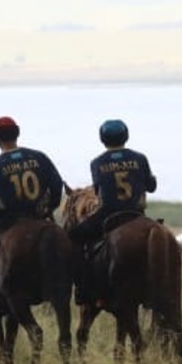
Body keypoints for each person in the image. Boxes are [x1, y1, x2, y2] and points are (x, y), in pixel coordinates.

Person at [0, 116, 65, 297]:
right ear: (17, 133)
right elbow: (57, 185)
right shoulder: (39, 157)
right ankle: (81, 278)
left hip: (10, 220)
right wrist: (49, 208)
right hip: (39, 216)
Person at [68, 119, 157, 304]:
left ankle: (84, 289)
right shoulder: (140, 158)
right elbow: (151, 186)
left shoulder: (97, 162)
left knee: (73, 237)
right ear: (126, 136)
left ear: (102, 139)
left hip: (108, 215)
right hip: (137, 214)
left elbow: (99, 191)